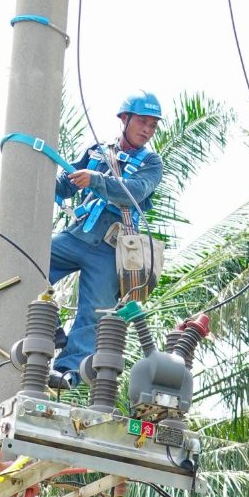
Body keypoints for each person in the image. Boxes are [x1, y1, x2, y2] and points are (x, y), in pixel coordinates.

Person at [49, 91, 164, 383]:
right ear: (124, 119)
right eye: (142, 122)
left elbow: (135, 191)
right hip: (77, 236)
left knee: (93, 315)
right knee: (29, 261)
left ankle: (66, 373)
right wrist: (39, 171)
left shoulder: (151, 163)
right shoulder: (97, 151)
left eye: (152, 125)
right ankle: (50, 325)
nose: (147, 130)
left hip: (109, 249)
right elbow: (67, 184)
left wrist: (96, 180)